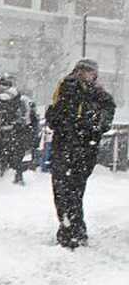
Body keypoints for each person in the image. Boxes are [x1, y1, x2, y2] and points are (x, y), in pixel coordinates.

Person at [44, 58, 116, 249]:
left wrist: (93, 126)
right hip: (65, 146)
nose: (84, 75)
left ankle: (73, 229)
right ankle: (68, 227)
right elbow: (53, 115)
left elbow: (106, 116)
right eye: (82, 71)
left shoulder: (99, 95)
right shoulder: (65, 88)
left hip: (83, 149)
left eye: (88, 72)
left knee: (74, 190)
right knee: (62, 190)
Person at [0, 74, 40, 185]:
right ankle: (18, 178)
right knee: (17, 158)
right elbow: (33, 119)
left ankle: (2, 181)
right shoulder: (23, 99)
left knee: (1, 158)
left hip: (3, 134)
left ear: (1, 86)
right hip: (21, 134)